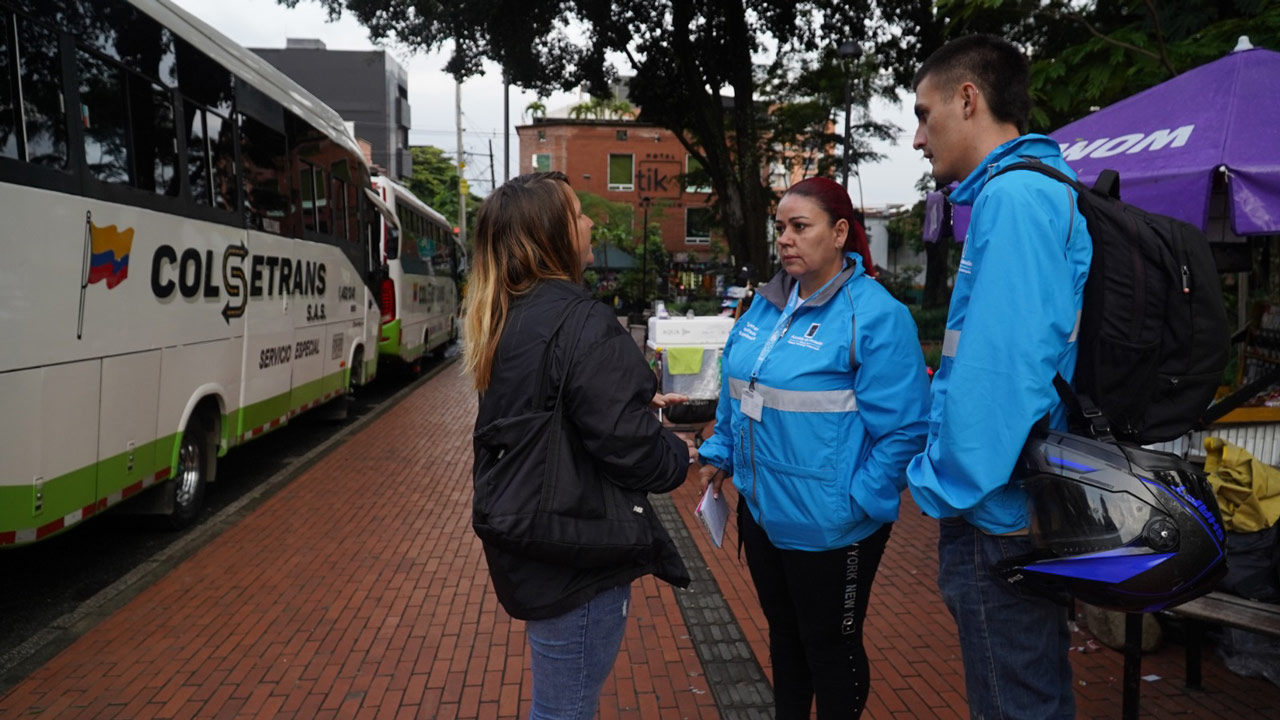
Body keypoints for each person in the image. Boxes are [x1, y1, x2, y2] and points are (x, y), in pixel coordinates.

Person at [904, 35, 1092, 720]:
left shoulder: (1014, 198)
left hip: (997, 511)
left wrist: (941, 483)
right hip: (1014, 498)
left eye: (924, 115)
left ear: (968, 99)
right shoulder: (1032, 191)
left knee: (1015, 704)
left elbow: (1000, 376)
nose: (918, 138)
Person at [696, 176, 930, 719]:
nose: (785, 239)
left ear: (840, 232)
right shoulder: (764, 305)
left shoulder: (875, 315)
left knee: (830, 649)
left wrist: (856, 501)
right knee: (785, 639)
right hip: (762, 514)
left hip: (831, 526)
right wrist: (720, 454)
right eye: (781, 227)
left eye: (800, 227)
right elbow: (738, 391)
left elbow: (906, 430)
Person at [462, 171, 691, 720]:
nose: (590, 223)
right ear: (554, 233)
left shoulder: (507, 313)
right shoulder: (581, 318)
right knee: (564, 710)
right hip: (577, 554)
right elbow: (631, 451)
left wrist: (629, 403)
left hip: (534, 543)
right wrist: (677, 452)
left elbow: (553, 409)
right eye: (579, 214)